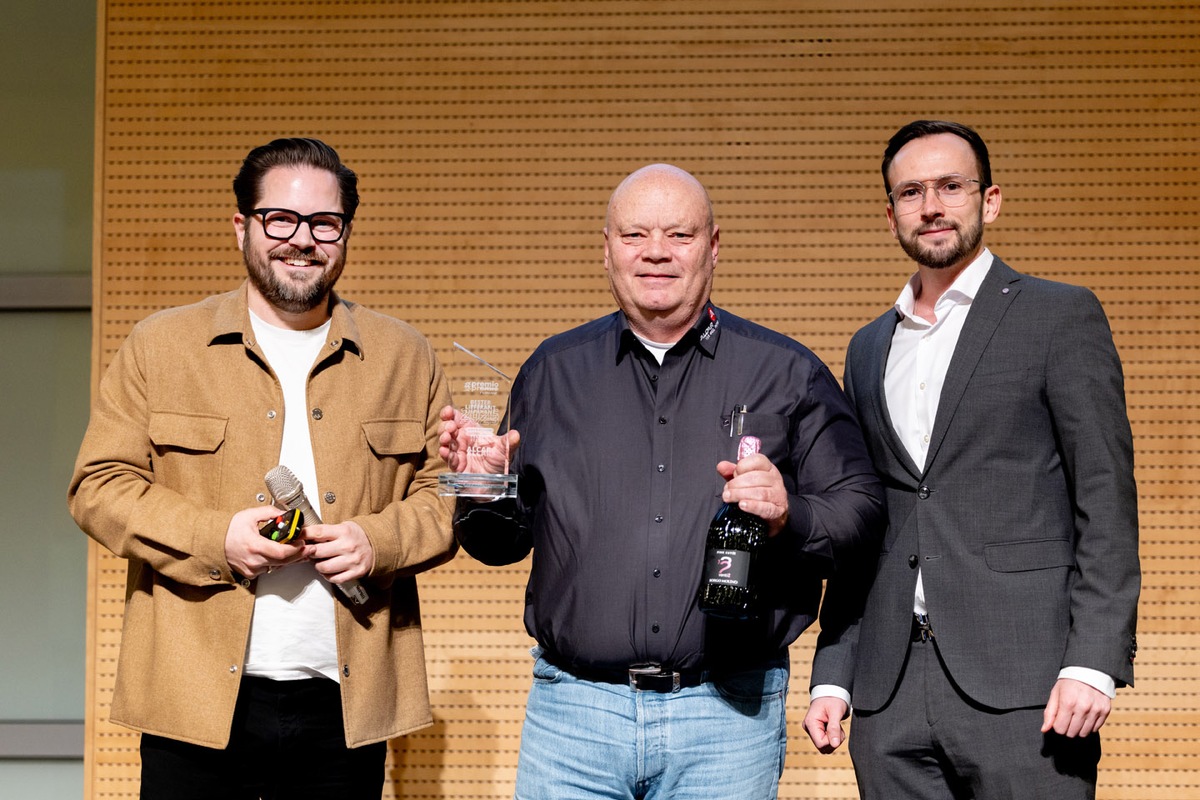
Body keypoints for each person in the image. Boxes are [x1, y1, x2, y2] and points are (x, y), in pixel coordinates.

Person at [439, 163, 885, 799]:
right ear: (606, 249)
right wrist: (483, 488)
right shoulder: (551, 372)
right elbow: (502, 544)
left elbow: (863, 514)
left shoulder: (787, 372)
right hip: (573, 719)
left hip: (726, 720)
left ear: (713, 246)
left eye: (679, 234)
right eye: (634, 235)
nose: (655, 252)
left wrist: (791, 515)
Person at [68, 137, 457, 799]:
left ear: (345, 233)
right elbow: (99, 486)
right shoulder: (161, 346)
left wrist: (379, 542)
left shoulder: (404, 355)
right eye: (280, 219)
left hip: (345, 710)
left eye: (324, 223)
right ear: (242, 226)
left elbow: (445, 492)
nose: (302, 239)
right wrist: (215, 538)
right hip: (191, 704)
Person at [802, 120, 1141, 799]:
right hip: (889, 692)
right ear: (891, 214)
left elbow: (1104, 499)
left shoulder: (1059, 315)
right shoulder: (867, 348)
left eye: (950, 186)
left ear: (990, 200)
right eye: (911, 192)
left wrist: (1094, 661)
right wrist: (833, 673)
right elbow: (866, 522)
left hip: (1028, 683)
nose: (931, 206)